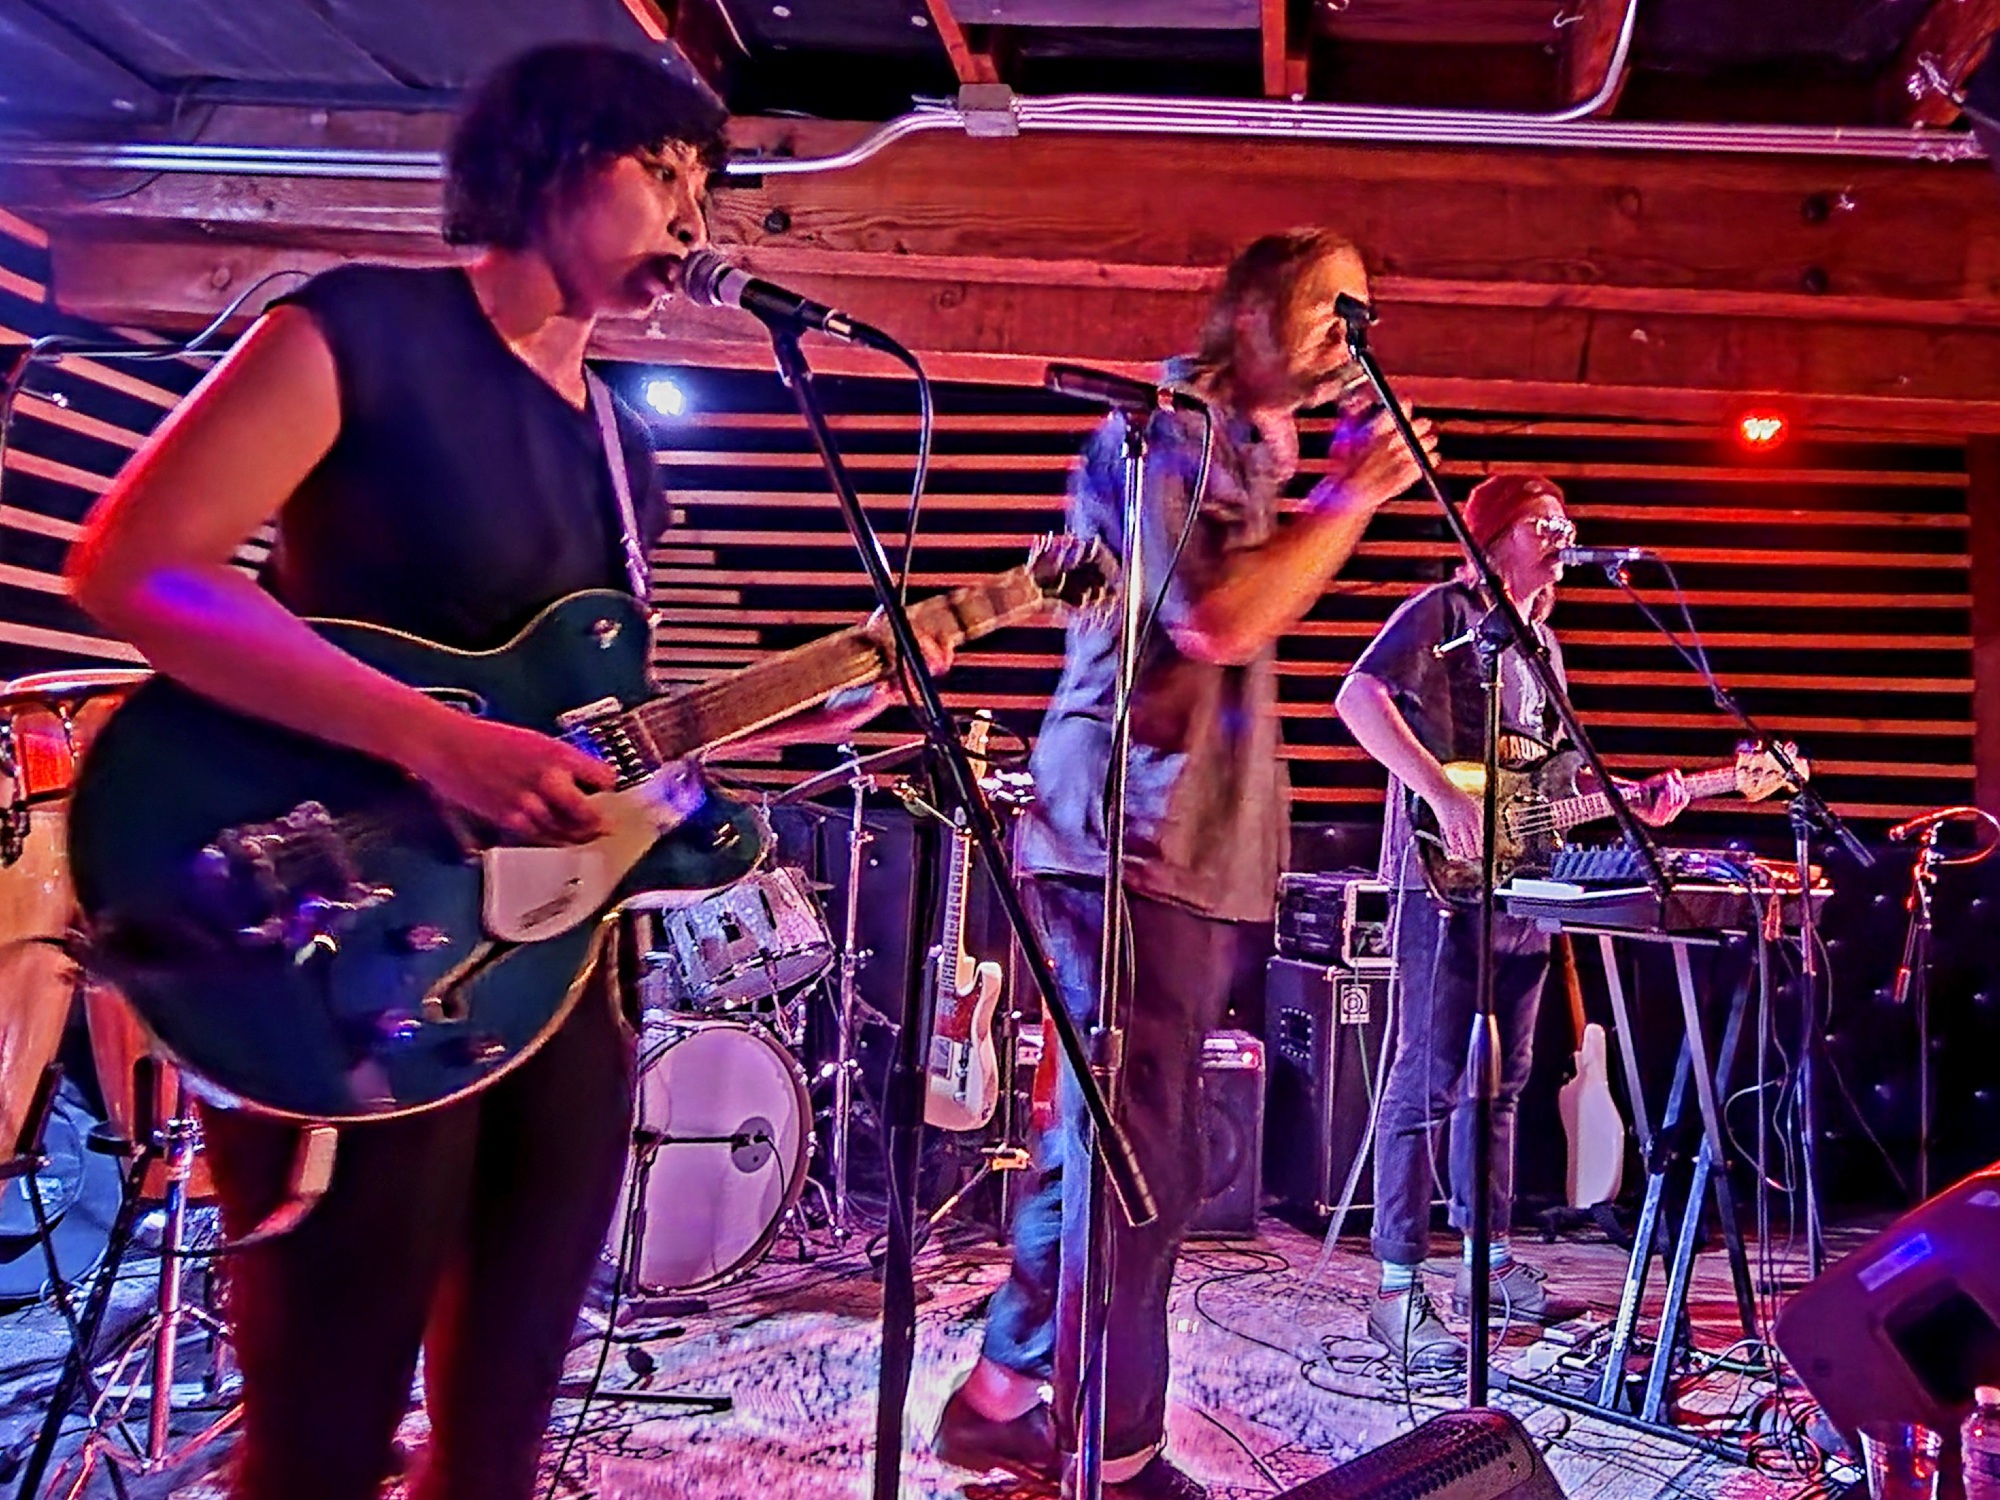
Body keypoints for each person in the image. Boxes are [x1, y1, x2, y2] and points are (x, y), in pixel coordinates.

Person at [66, 44, 941, 1500]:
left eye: (707, 186)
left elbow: (587, 729)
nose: (694, 219)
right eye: (662, 171)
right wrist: (437, 741)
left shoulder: (622, 450)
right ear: (548, 161)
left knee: (502, 1436)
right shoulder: (363, 330)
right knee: (323, 1437)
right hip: (337, 926)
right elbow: (136, 568)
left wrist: (786, 721)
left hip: (550, 969)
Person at [934, 229, 1433, 1500]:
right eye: (1330, 309)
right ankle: (1112, 1457)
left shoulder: (1251, 454)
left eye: (1364, 316)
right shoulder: (1159, 433)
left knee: (1101, 1148)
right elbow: (1214, 621)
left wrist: (1320, 486)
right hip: (1127, 842)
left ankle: (996, 1402)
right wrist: (1350, 497)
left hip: (1194, 848)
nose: (1352, 339)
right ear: (1252, 314)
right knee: (1141, 1171)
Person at [1334, 474, 1690, 1372]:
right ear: (1493, 539)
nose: (1563, 535)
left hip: (1526, 886)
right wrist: (1439, 792)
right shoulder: (1445, 612)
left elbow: (1558, 779)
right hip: (1441, 880)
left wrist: (1633, 800)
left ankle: (1484, 1266)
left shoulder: (1546, 647)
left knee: (1501, 1083)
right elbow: (1358, 698)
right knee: (1427, 1082)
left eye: (1568, 521)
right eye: (1543, 523)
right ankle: (1397, 1289)